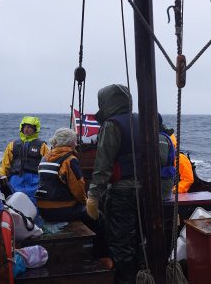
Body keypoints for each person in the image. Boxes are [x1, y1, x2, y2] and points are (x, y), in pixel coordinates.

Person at [86, 84, 148, 284]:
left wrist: (93, 196)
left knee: (121, 244)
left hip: (122, 194)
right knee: (142, 239)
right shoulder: (144, 120)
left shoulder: (112, 125)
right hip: (148, 192)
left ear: (106, 103)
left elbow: (103, 165)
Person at [36, 128, 111, 266]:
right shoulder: (70, 159)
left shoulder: (45, 157)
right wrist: (87, 204)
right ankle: (102, 256)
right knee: (98, 217)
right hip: (60, 211)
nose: (76, 144)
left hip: (43, 210)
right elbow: (78, 188)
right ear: (70, 143)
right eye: (75, 141)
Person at [0, 116, 49, 205]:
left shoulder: (42, 146)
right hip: (15, 180)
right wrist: (2, 176)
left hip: (34, 181)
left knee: (33, 204)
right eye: (25, 127)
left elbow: (48, 164)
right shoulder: (12, 145)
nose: (26, 129)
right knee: (12, 203)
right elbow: (5, 165)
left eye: (29, 127)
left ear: (35, 129)